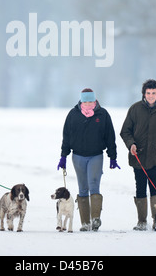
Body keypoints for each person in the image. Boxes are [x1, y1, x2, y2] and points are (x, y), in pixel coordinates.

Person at [57, 88, 120, 232]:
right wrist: (63, 156)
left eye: (90, 101)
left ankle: (95, 219)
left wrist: (113, 157)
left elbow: (110, 136)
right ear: (81, 101)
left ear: (95, 100)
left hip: (96, 155)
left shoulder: (102, 114)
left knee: (94, 184)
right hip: (78, 156)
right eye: (85, 101)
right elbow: (66, 136)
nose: (88, 103)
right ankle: (85, 223)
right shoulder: (73, 115)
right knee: (83, 188)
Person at [120, 79, 156, 231]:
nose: (151, 96)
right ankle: (141, 221)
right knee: (140, 188)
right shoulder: (135, 109)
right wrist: (131, 144)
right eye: (148, 93)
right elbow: (125, 131)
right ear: (144, 94)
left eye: (153, 93)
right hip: (138, 156)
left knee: (155, 188)